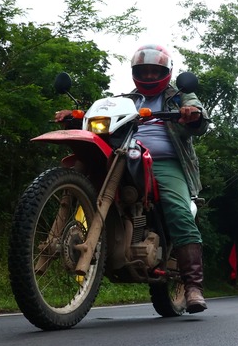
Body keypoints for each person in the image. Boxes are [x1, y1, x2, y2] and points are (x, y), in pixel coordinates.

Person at [56, 44, 210, 313]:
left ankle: (193, 286)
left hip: (164, 162)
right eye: (144, 71)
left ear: (166, 73)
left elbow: (197, 113)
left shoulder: (178, 97)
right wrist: (76, 117)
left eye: (155, 72)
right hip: (123, 156)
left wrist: (193, 115)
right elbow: (101, 114)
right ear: (135, 73)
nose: (149, 76)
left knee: (179, 212)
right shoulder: (126, 100)